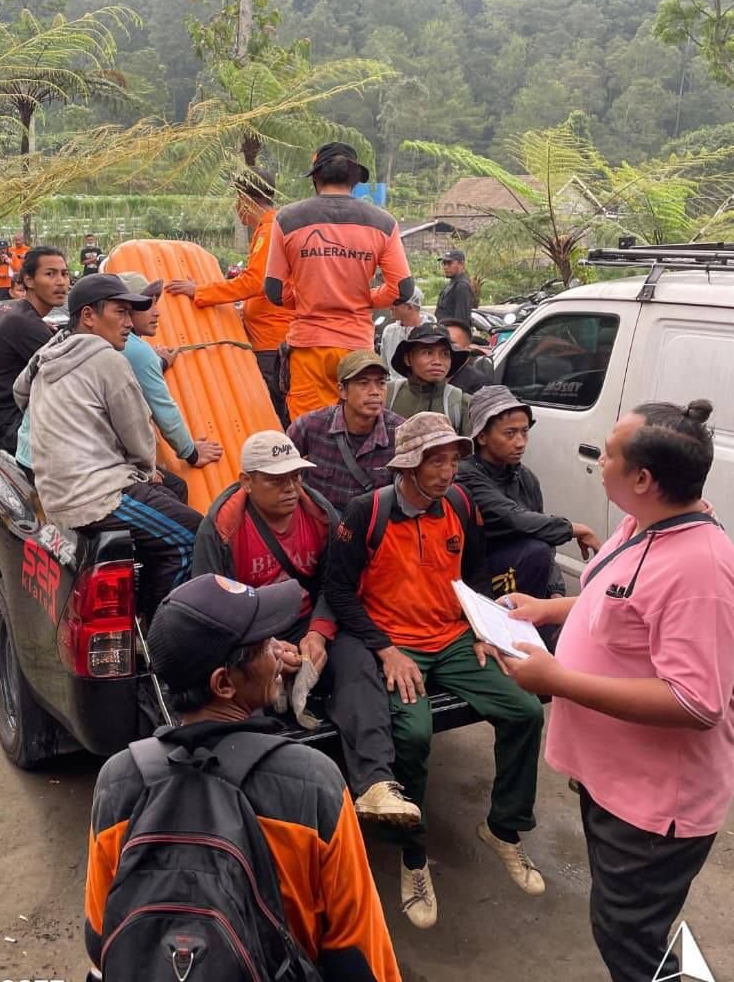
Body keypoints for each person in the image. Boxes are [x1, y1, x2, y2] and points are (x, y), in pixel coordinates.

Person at [503, 400, 734, 982]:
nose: (597, 459)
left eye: (608, 452)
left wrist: (557, 681)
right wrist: (546, 608)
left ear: (643, 479)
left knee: (630, 938)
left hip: (655, 807)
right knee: (636, 927)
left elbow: (696, 701)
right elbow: (616, 600)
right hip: (616, 780)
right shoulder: (643, 523)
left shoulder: (699, 569)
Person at [85, 574, 401, 981]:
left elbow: (100, 939)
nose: (279, 651)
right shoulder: (312, 784)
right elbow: (359, 958)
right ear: (224, 684)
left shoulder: (118, 782)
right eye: (264, 646)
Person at [325, 412, 545, 929]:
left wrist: (482, 631)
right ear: (407, 466)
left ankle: (505, 828)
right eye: (435, 460)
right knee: (416, 735)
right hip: (397, 644)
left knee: (525, 710)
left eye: (452, 460)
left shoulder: (461, 506)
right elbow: (337, 592)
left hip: (451, 638)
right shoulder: (366, 513)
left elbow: (472, 575)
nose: (447, 471)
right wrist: (384, 649)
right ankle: (412, 853)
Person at [193, 430, 419, 828]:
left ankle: (376, 783)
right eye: (276, 480)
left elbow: (338, 583)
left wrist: (319, 633)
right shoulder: (222, 528)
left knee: (357, 662)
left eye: (296, 476)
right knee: (242, 690)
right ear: (247, 481)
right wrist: (265, 647)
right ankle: (255, 805)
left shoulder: (319, 514)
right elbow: (212, 607)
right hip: (249, 630)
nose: (291, 488)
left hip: (305, 619)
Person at [13, 273, 203, 617]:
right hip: (94, 495)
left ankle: (144, 577)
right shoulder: (108, 360)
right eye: (121, 313)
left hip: (57, 487)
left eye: (132, 314)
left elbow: (19, 390)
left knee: (173, 486)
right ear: (89, 316)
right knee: (194, 536)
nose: (130, 323)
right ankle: (156, 625)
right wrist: (145, 473)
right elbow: (139, 437)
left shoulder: (52, 350)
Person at [265, 141, 414, 420]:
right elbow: (402, 288)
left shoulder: (287, 219)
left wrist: (308, 296)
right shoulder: (383, 222)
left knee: (309, 433)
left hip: (309, 347)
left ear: (316, 178)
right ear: (354, 179)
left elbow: (273, 290)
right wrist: (366, 298)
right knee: (358, 430)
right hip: (357, 346)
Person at [165, 169, 294, 424]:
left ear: (245, 199)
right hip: (269, 340)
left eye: (237, 200)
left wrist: (201, 292)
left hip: (272, 344)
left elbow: (256, 282)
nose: (236, 208)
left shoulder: (270, 232)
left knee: (275, 416)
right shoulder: (269, 230)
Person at [458, 386, 600, 601]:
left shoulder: (525, 478)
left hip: (519, 570)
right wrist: (574, 529)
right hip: (476, 577)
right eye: (509, 433)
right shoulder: (466, 475)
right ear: (482, 437)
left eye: (524, 431)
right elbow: (513, 516)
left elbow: (541, 534)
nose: (520, 442)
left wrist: (556, 591)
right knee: (535, 552)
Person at [0, 245, 70, 454]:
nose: (60, 282)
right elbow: (74, 377)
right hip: (5, 423)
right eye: (50, 274)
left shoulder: (9, 310)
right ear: (28, 280)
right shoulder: (25, 324)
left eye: (64, 274)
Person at [118, 272, 223, 470]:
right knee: (176, 489)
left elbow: (133, 372)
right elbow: (164, 409)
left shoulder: (113, 339)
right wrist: (191, 453)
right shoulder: (138, 351)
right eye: (148, 305)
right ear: (127, 309)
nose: (157, 312)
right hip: (110, 462)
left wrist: (160, 363)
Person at [288, 350, 404, 514]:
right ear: (342, 390)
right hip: (321, 523)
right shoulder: (310, 425)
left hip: (371, 528)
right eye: (363, 383)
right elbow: (280, 472)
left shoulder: (401, 431)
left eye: (381, 383)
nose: (375, 392)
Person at [385, 321, 471, 434]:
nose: (437, 361)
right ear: (407, 359)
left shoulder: (460, 404)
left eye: (445, 354)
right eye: (427, 353)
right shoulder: (388, 395)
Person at [379, 287, 433, 373]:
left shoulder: (431, 332)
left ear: (409, 307)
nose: (390, 307)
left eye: (395, 303)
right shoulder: (389, 331)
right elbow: (384, 365)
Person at [440, 317, 492, 393]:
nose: (445, 348)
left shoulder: (481, 387)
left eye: (452, 343)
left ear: (467, 349)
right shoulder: (425, 379)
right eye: (440, 342)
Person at [435, 249, 474, 325]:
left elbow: (461, 321)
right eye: (444, 263)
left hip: (452, 334)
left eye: (449, 263)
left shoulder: (462, 286)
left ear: (461, 264)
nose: (445, 267)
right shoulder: (452, 283)